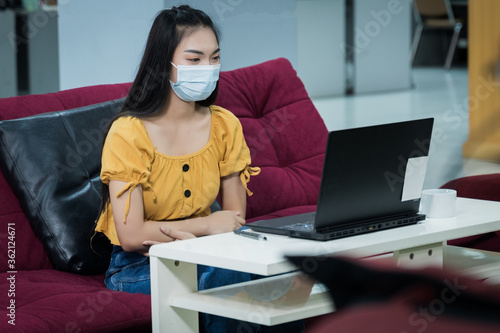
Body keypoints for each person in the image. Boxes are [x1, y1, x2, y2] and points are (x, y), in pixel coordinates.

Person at [94, 5, 305, 332]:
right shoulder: (129, 133)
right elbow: (133, 235)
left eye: (215, 58)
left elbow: (233, 221)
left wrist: (202, 233)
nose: (208, 68)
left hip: (209, 251)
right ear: (163, 66)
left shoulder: (225, 125)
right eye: (194, 59)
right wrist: (205, 226)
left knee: (288, 277)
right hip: (141, 265)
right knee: (228, 277)